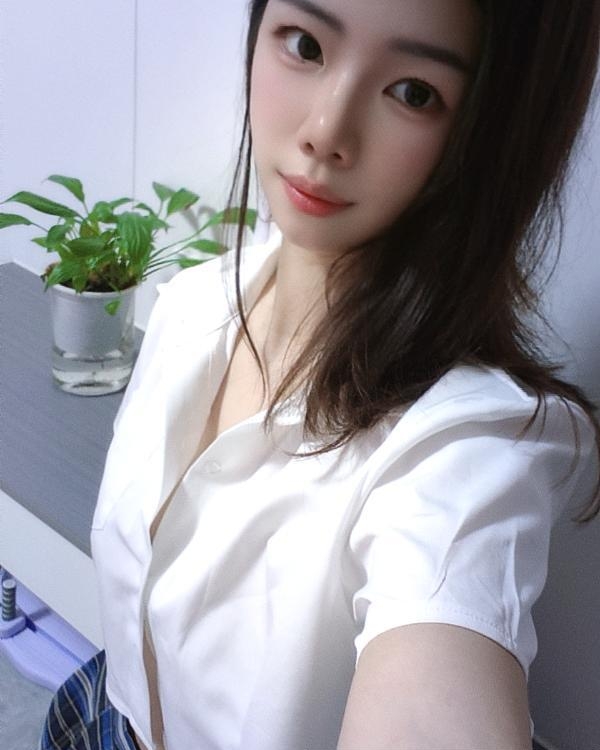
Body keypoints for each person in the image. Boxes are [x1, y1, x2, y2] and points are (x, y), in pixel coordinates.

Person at [40, 0, 600, 748]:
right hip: (101, 710)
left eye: (413, 92)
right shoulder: (193, 304)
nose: (326, 131)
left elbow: (440, 657)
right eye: (304, 45)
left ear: (489, 135)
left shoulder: (461, 450)